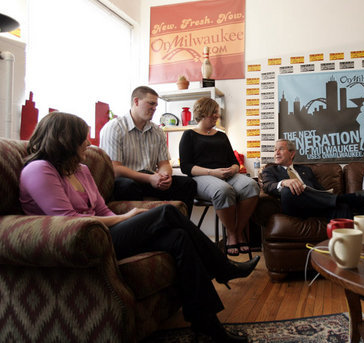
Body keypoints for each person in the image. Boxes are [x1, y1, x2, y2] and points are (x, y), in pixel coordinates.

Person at [19, 112, 259, 343]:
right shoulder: (39, 170)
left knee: (178, 238)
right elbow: (69, 220)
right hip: (81, 241)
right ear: (64, 140)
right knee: (166, 211)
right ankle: (223, 266)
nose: (87, 143)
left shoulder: (80, 170)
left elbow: (102, 210)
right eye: (82, 138)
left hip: (105, 232)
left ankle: (206, 322)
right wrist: (126, 219)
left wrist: (130, 224)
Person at [179, 97, 260, 256]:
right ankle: (231, 234)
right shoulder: (189, 135)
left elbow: (234, 162)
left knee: (251, 185)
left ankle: (238, 231)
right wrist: (212, 172)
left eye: (217, 113)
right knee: (223, 190)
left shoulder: (221, 136)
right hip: (202, 177)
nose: (217, 116)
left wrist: (234, 168)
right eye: (214, 113)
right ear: (203, 112)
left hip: (227, 174)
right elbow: (186, 167)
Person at [100, 86, 196, 217]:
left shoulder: (157, 131)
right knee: (128, 186)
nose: (154, 108)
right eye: (151, 103)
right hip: (125, 179)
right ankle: (142, 229)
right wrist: (150, 178)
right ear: (136, 101)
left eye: (156, 105)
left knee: (187, 184)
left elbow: (164, 163)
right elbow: (115, 169)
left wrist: (164, 176)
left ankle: (182, 229)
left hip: (150, 178)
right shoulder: (115, 127)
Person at [261, 139, 364, 220]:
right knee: (287, 191)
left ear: (292, 154)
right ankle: (350, 198)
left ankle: (346, 249)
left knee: (343, 208)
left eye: (280, 149)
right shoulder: (270, 170)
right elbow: (267, 186)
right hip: (294, 207)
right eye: (275, 150)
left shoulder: (305, 170)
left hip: (315, 207)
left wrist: (326, 196)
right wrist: (284, 182)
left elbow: (319, 190)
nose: (276, 153)